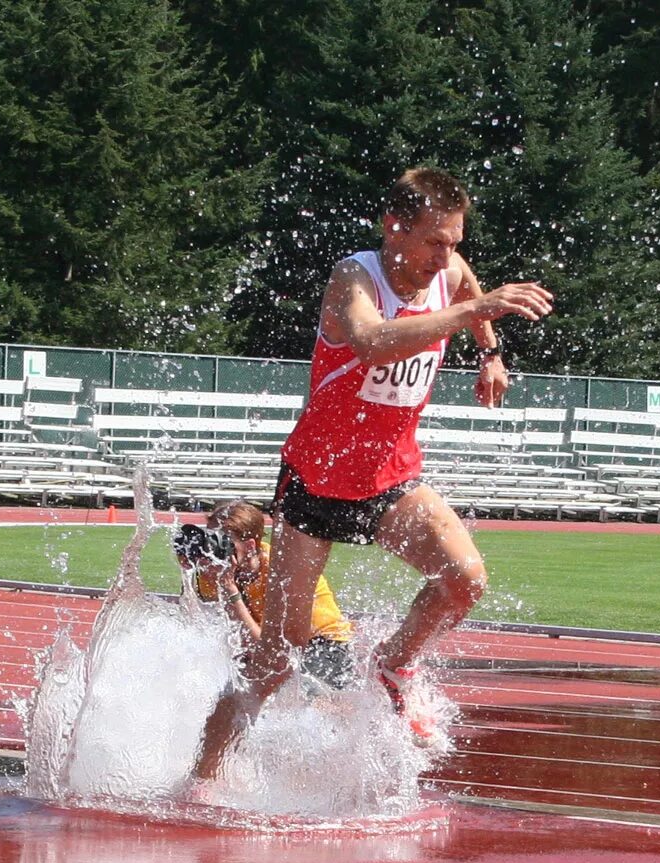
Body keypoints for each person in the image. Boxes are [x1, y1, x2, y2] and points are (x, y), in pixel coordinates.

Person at [191, 167, 554, 781]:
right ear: (395, 229)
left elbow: (468, 292)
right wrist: (477, 310)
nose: (447, 257)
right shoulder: (355, 277)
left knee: (464, 580)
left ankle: (393, 664)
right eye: (435, 241)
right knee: (275, 656)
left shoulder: (452, 274)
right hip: (317, 483)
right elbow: (371, 342)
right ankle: (200, 777)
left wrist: (489, 353)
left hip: (390, 478)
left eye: (455, 241)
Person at [177, 500, 355, 690]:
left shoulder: (280, 572)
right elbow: (190, 622)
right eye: (210, 538)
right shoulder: (220, 570)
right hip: (278, 649)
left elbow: (268, 650)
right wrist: (189, 571)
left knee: (299, 694)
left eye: (223, 541)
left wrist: (229, 589)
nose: (213, 549)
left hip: (324, 648)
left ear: (251, 546)